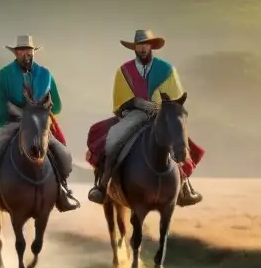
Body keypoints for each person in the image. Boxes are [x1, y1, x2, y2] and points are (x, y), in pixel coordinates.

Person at [86, 29, 204, 207]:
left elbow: (176, 100)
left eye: (145, 45)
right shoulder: (124, 71)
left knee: (178, 140)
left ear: (151, 47)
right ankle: (102, 185)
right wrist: (137, 102)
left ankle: (185, 185)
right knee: (113, 139)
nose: (142, 49)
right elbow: (120, 101)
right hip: (134, 114)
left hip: (161, 114)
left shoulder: (167, 70)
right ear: (134, 48)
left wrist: (161, 107)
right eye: (139, 46)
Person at [0, 35, 79, 213]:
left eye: (29, 50)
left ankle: (62, 189)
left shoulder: (46, 74)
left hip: (38, 124)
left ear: (34, 52)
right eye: (22, 51)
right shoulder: (3, 76)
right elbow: (0, 105)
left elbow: (57, 105)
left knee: (61, 153)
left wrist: (40, 113)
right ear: (16, 53)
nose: (26, 54)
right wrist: (18, 113)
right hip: (12, 122)